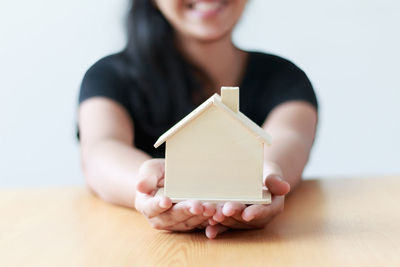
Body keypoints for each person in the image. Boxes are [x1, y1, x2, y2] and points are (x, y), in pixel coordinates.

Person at [78, 0, 318, 239]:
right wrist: (154, 190)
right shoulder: (108, 77)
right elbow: (101, 150)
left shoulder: (286, 78)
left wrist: (262, 181)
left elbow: (290, 137)